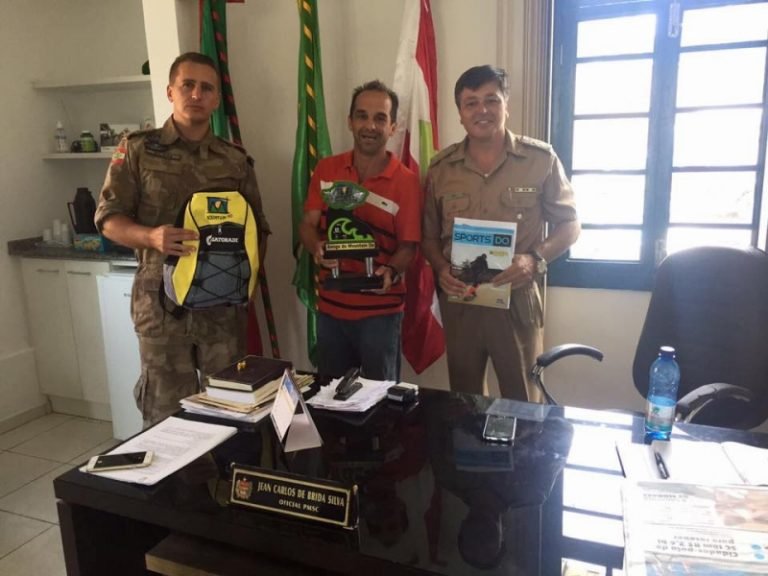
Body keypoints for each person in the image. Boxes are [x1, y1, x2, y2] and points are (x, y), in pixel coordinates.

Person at [95, 52, 270, 426]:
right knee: (166, 417)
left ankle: (223, 467)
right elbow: (108, 220)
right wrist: (150, 236)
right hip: (161, 307)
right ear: (170, 91)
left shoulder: (235, 160)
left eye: (206, 88)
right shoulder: (138, 149)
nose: (196, 94)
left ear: (216, 99)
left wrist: (245, 285)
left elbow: (259, 231)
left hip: (222, 310)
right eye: (187, 85)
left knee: (228, 412)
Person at [422, 65, 579, 402]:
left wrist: (534, 259)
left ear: (506, 104)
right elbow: (429, 237)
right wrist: (440, 267)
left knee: (524, 403)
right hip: (462, 299)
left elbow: (570, 225)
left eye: (491, 100)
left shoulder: (540, 159)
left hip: (516, 300)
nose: (482, 110)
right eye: (471, 103)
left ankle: (523, 442)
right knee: (465, 403)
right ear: (460, 114)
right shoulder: (441, 169)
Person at [299, 80, 421, 382]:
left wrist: (391, 270)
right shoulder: (326, 170)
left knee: (381, 399)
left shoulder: (406, 181)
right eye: (362, 116)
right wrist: (317, 247)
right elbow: (308, 225)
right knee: (330, 396)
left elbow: (408, 246)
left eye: (380, 118)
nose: (370, 126)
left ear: (393, 127)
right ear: (350, 121)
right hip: (331, 308)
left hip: (381, 314)